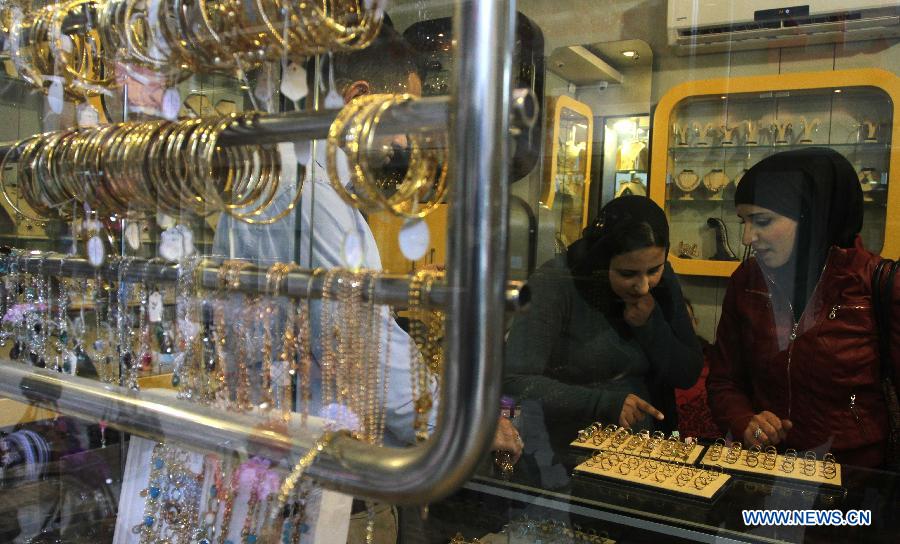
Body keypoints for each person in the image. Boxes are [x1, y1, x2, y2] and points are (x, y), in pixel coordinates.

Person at [706, 147, 900, 468]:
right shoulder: (748, 280)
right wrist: (744, 421)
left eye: (762, 221)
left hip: (853, 474)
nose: (747, 237)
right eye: (743, 221)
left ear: (811, 217)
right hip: (769, 466)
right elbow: (724, 380)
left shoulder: (874, 283)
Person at [503, 196, 703, 450]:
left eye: (654, 270)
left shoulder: (662, 281)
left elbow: (687, 373)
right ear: (601, 261)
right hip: (566, 448)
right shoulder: (555, 282)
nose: (642, 287)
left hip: (644, 447)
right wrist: (602, 403)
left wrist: (651, 325)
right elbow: (515, 380)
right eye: (627, 274)